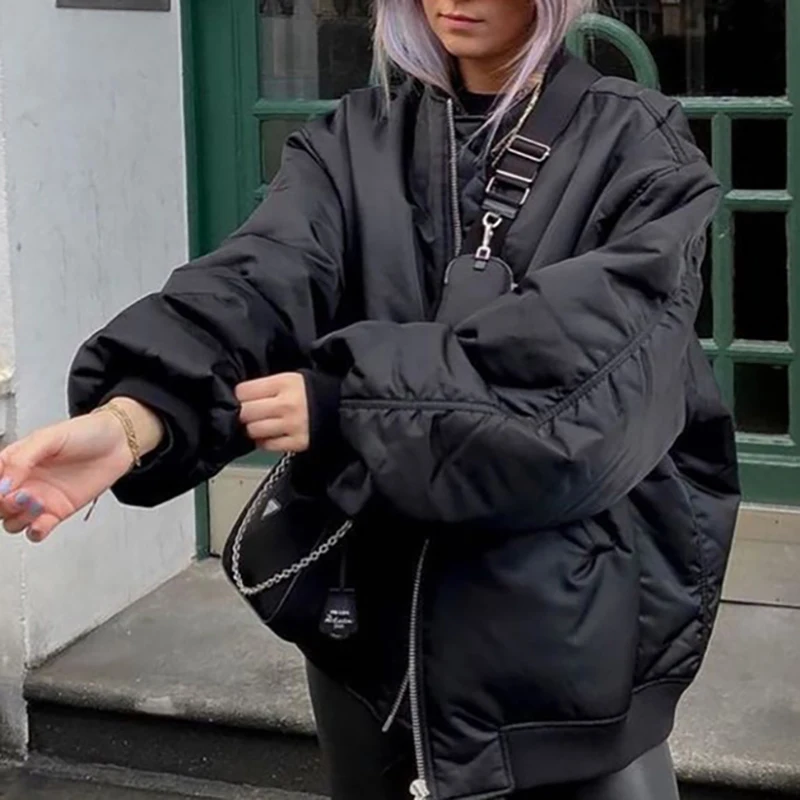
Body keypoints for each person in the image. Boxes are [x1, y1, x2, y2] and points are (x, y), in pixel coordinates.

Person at [0, 1, 740, 798]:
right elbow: (262, 277)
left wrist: (348, 405)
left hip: (569, 639)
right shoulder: (359, 136)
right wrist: (135, 416)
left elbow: (584, 378)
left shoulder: (637, 144)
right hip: (372, 631)